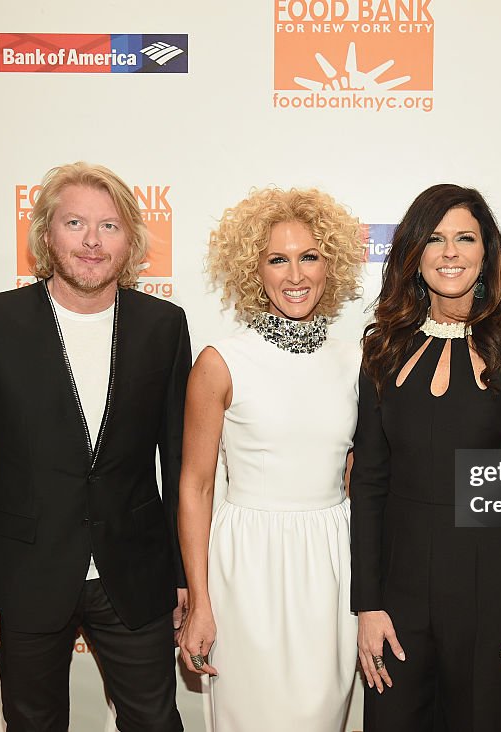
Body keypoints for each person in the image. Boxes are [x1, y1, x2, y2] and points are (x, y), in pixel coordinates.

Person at [0, 162, 190, 732]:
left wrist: (181, 574)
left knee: (156, 721)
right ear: (46, 233)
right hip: (22, 575)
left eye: (110, 226)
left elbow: (179, 463)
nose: (92, 241)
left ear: (132, 241)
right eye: (75, 222)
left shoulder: (164, 326)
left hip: (136, 574)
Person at [350, 183, 501, 731]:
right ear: (413, 252)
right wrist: (367, 603)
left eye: (465, 238)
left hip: (498, 584)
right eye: (435, 238)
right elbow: (369, 484)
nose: (450, 252)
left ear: (486, 252)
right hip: (400, 594)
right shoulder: (382, 347)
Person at [177, 187, 365, 731]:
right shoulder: (221, 362)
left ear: (330, 264)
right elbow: (196, 486)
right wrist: (200, 602)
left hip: (332, 561)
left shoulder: (355, 361)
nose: (295, 274)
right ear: (253, 270)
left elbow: (358, 477)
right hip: (247, 564)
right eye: (277, 259)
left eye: (309, 256)